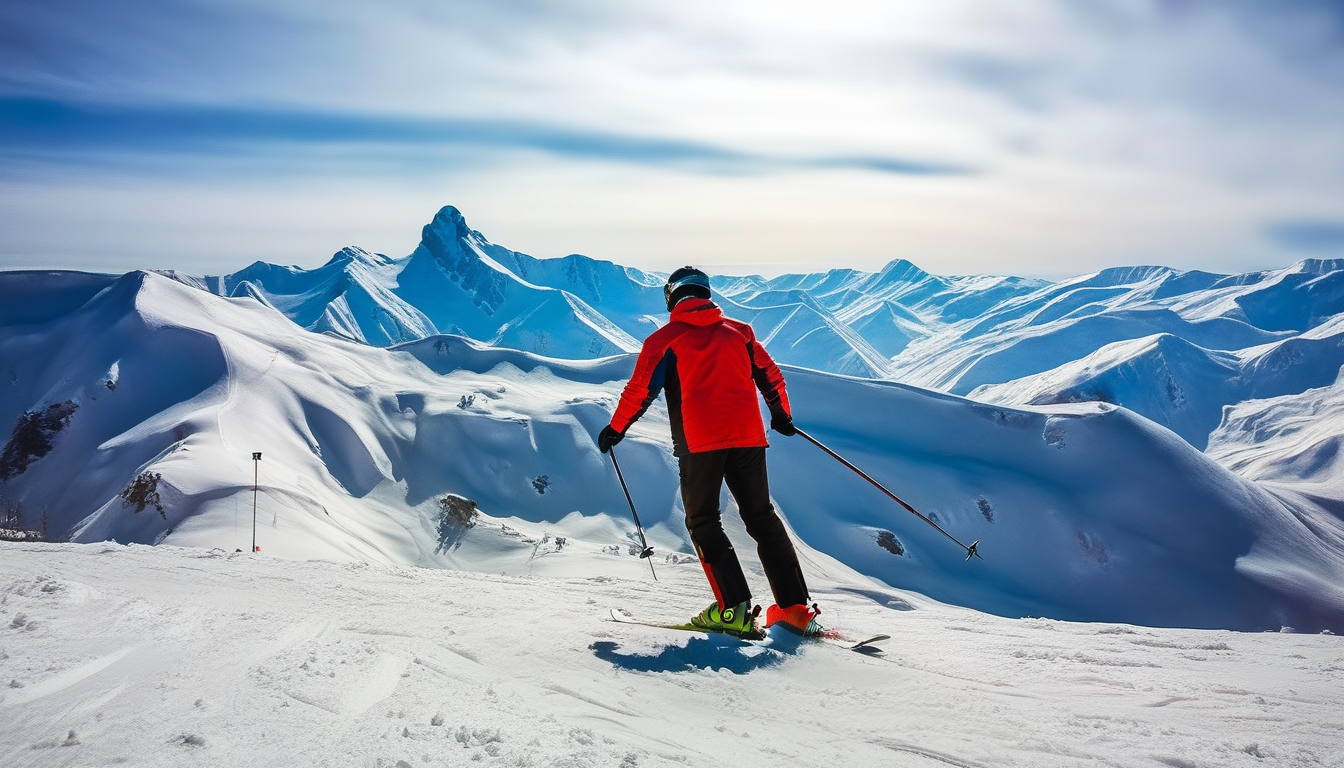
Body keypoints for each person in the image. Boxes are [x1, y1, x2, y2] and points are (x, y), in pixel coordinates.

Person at [597, 266, 821, 637]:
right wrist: (782, 416)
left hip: (700, 445)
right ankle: (794, 608)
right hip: (749, 439)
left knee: (703, 522)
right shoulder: (741, 332)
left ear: (671, 298)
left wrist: (616, 429)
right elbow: (770, 375)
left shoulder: (663, 341)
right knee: (761, 519)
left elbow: (640, 391)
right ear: (706, 294)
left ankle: (732, 610)